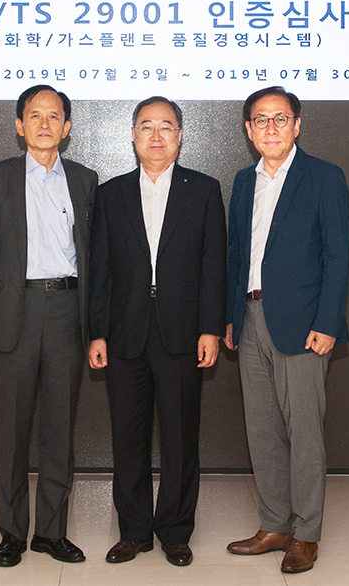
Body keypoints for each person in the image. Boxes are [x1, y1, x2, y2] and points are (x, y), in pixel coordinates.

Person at [87, 97, 226, 567]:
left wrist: (210, 328)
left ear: (180, 135)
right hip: (124, 331)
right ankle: (133, 532)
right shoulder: (110, 194)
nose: (156, 135)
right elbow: (101, 269)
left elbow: (213, 265)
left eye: (166, 126)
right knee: (128, 438)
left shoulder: (203, 190)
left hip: (182, 332)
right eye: (146, 126)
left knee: (181, 438)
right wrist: (97, 332)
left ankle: (175, 531)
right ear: (132, 134)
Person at [223, 86, 349, 574]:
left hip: (303, 324)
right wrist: (230, 315)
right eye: (261, 119)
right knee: (262, 430)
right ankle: (274, 524)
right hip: (250, 317)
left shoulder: (324, 176)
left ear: (297, 125)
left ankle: (306, 533)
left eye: (281, 118)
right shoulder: (243, 181)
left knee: (304, 434)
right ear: (249, 129)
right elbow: (237, 254)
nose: (271, 128)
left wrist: (327, 322)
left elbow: (337, 254)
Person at [0, 85, 97, 568]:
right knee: (12, 430)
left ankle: (51, 532)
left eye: (54, 116)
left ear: (67, 128)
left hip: (67, 310)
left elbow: (92, 250)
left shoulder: (85, 180)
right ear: (19, 125)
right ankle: (11, 533)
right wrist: (10, 295)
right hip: (17, 311)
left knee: (58, 430)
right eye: (35, 115)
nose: (45, 124)